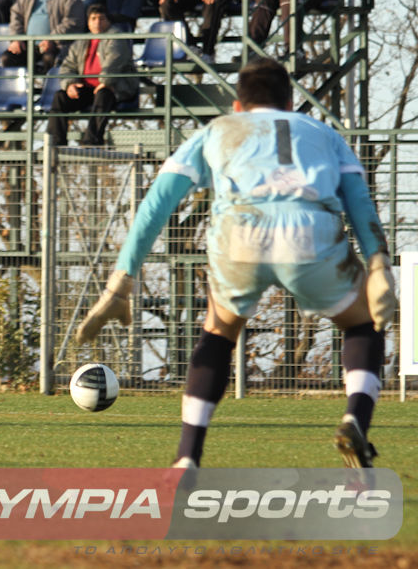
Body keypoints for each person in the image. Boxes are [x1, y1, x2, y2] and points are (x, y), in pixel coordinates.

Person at [75, 58, 396, 469]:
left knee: (220, 330)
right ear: (291, 101)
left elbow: (157, 203)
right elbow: (359, 201)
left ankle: (187, 458)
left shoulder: (217, 130)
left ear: (238, 106)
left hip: (240, 231)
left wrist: (122, 279)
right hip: (310, 234)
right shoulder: (322, 133)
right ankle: (354, 419)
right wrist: (377, 263)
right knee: (361, 323)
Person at [49, 4, 136, 146]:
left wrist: (105, 82)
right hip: (88, 89)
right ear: (88, 22)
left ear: (108, 21)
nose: (97, 22)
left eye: (101, 18)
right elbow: (67, 66)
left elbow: (114, 61)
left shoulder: (117, 37)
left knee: (103, 93)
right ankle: (55, 144)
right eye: (93, 19)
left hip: (116, 88)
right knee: (60, 97)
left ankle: (92, 141)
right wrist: (70, 83)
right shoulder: (81, 42)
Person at [1, 0, 83, 73]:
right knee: (7, 58)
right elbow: (16, 15)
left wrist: (51, 39)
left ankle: (46, 90)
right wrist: (17, 39)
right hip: (28, 46)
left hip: (57, 46)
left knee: (49, 59)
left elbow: (73, 21)